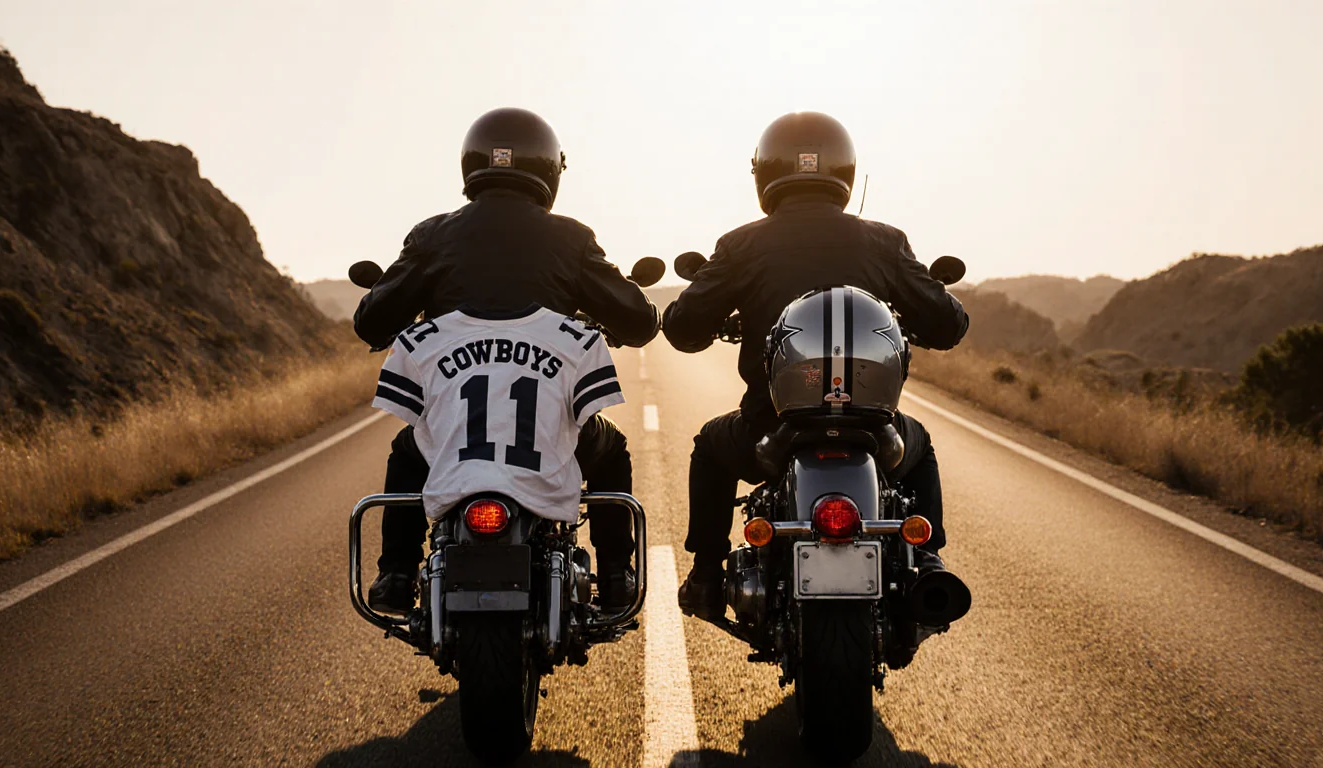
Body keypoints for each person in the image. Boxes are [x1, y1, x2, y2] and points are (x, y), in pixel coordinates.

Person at [661, 111, 969, 620]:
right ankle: (930, 560)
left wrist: (711, 311)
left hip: (771, 428)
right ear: (844, 171)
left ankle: (707, 577)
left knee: (710, 448)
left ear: (765, 173)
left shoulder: (742, 245)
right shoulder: (885, 241)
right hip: (875, 428)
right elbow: (947, 326)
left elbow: (682, 328)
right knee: (922, 446)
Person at [354, 107, 659, 614]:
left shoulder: (432, 235)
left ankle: (396, 573)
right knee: (612, 451)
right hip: (547, 430)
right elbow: (639, 322)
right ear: (548, 169)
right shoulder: (571, 238)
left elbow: (371, 320)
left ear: (470, 165)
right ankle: (615, 575)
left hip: (456, 430)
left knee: (408, 452)